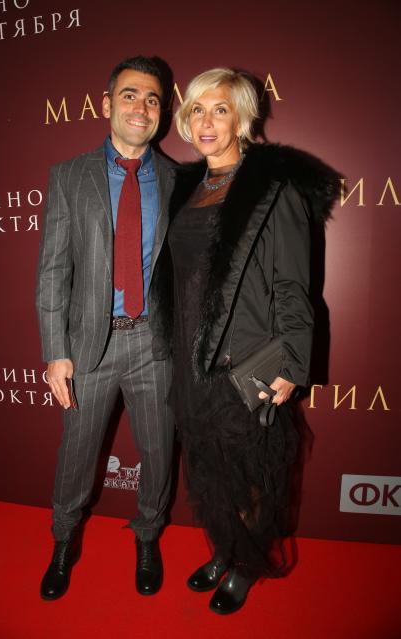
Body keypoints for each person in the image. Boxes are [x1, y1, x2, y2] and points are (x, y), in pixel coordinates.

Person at [151, 68, 339, 614]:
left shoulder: (274, 190)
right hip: (190, 358)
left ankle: (245, 562)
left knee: (250, 471)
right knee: (209, 468)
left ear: (242, 119)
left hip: (245, 357)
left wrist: (291, 362)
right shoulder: (185, 187)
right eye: (197, 110)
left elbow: (294, 286)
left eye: (221, 109)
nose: (207, 121)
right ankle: (223, 547)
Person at [36, 56, 176, 601]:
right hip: (89, 345)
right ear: (107, 103)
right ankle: (63, 541)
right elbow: (53, 270)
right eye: (130, 95)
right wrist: (56, 351)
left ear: (162, 113)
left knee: (159, 453)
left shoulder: (178, 179)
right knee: (77, 455)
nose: (141, 107)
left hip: (155, 344)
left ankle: (148, 536)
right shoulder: (69, 176)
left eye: (152, 99)